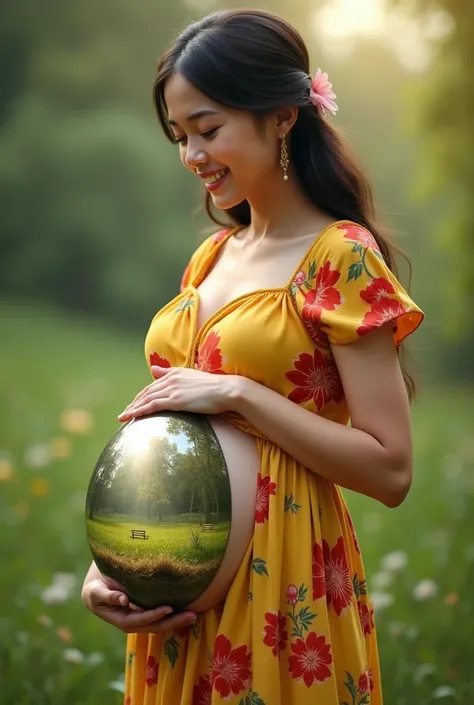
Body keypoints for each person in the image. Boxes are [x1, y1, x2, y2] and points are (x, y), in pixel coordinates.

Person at [81, 8, 424, 704]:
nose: (192, 155)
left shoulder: (341, 257)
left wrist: (241, 395)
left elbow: (392, 469)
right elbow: (163, 434)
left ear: (283, 117)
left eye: (208, 129)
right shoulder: (210, 257)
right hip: (176, 614)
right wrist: (111, 569)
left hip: (284, 588)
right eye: (181, 136)